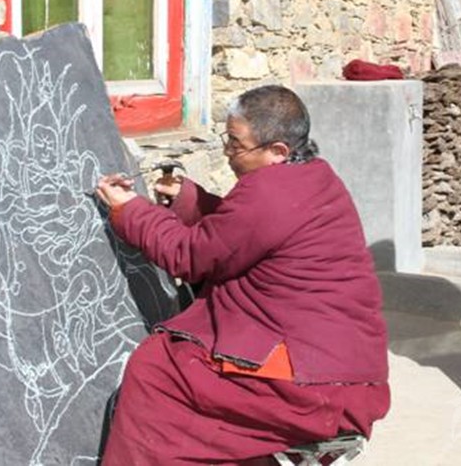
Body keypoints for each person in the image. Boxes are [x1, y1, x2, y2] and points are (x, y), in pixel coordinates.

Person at [95, 85, 390, 465]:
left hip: (311, 388)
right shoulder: (315, 176)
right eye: (228, 140)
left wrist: (130, 209)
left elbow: (189, 255)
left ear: (278, 150)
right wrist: (190, 201)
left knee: (157, 369)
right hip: (347, 373)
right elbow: (245, 232)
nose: (228, 153)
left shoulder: (269, 191)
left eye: (237, 145)